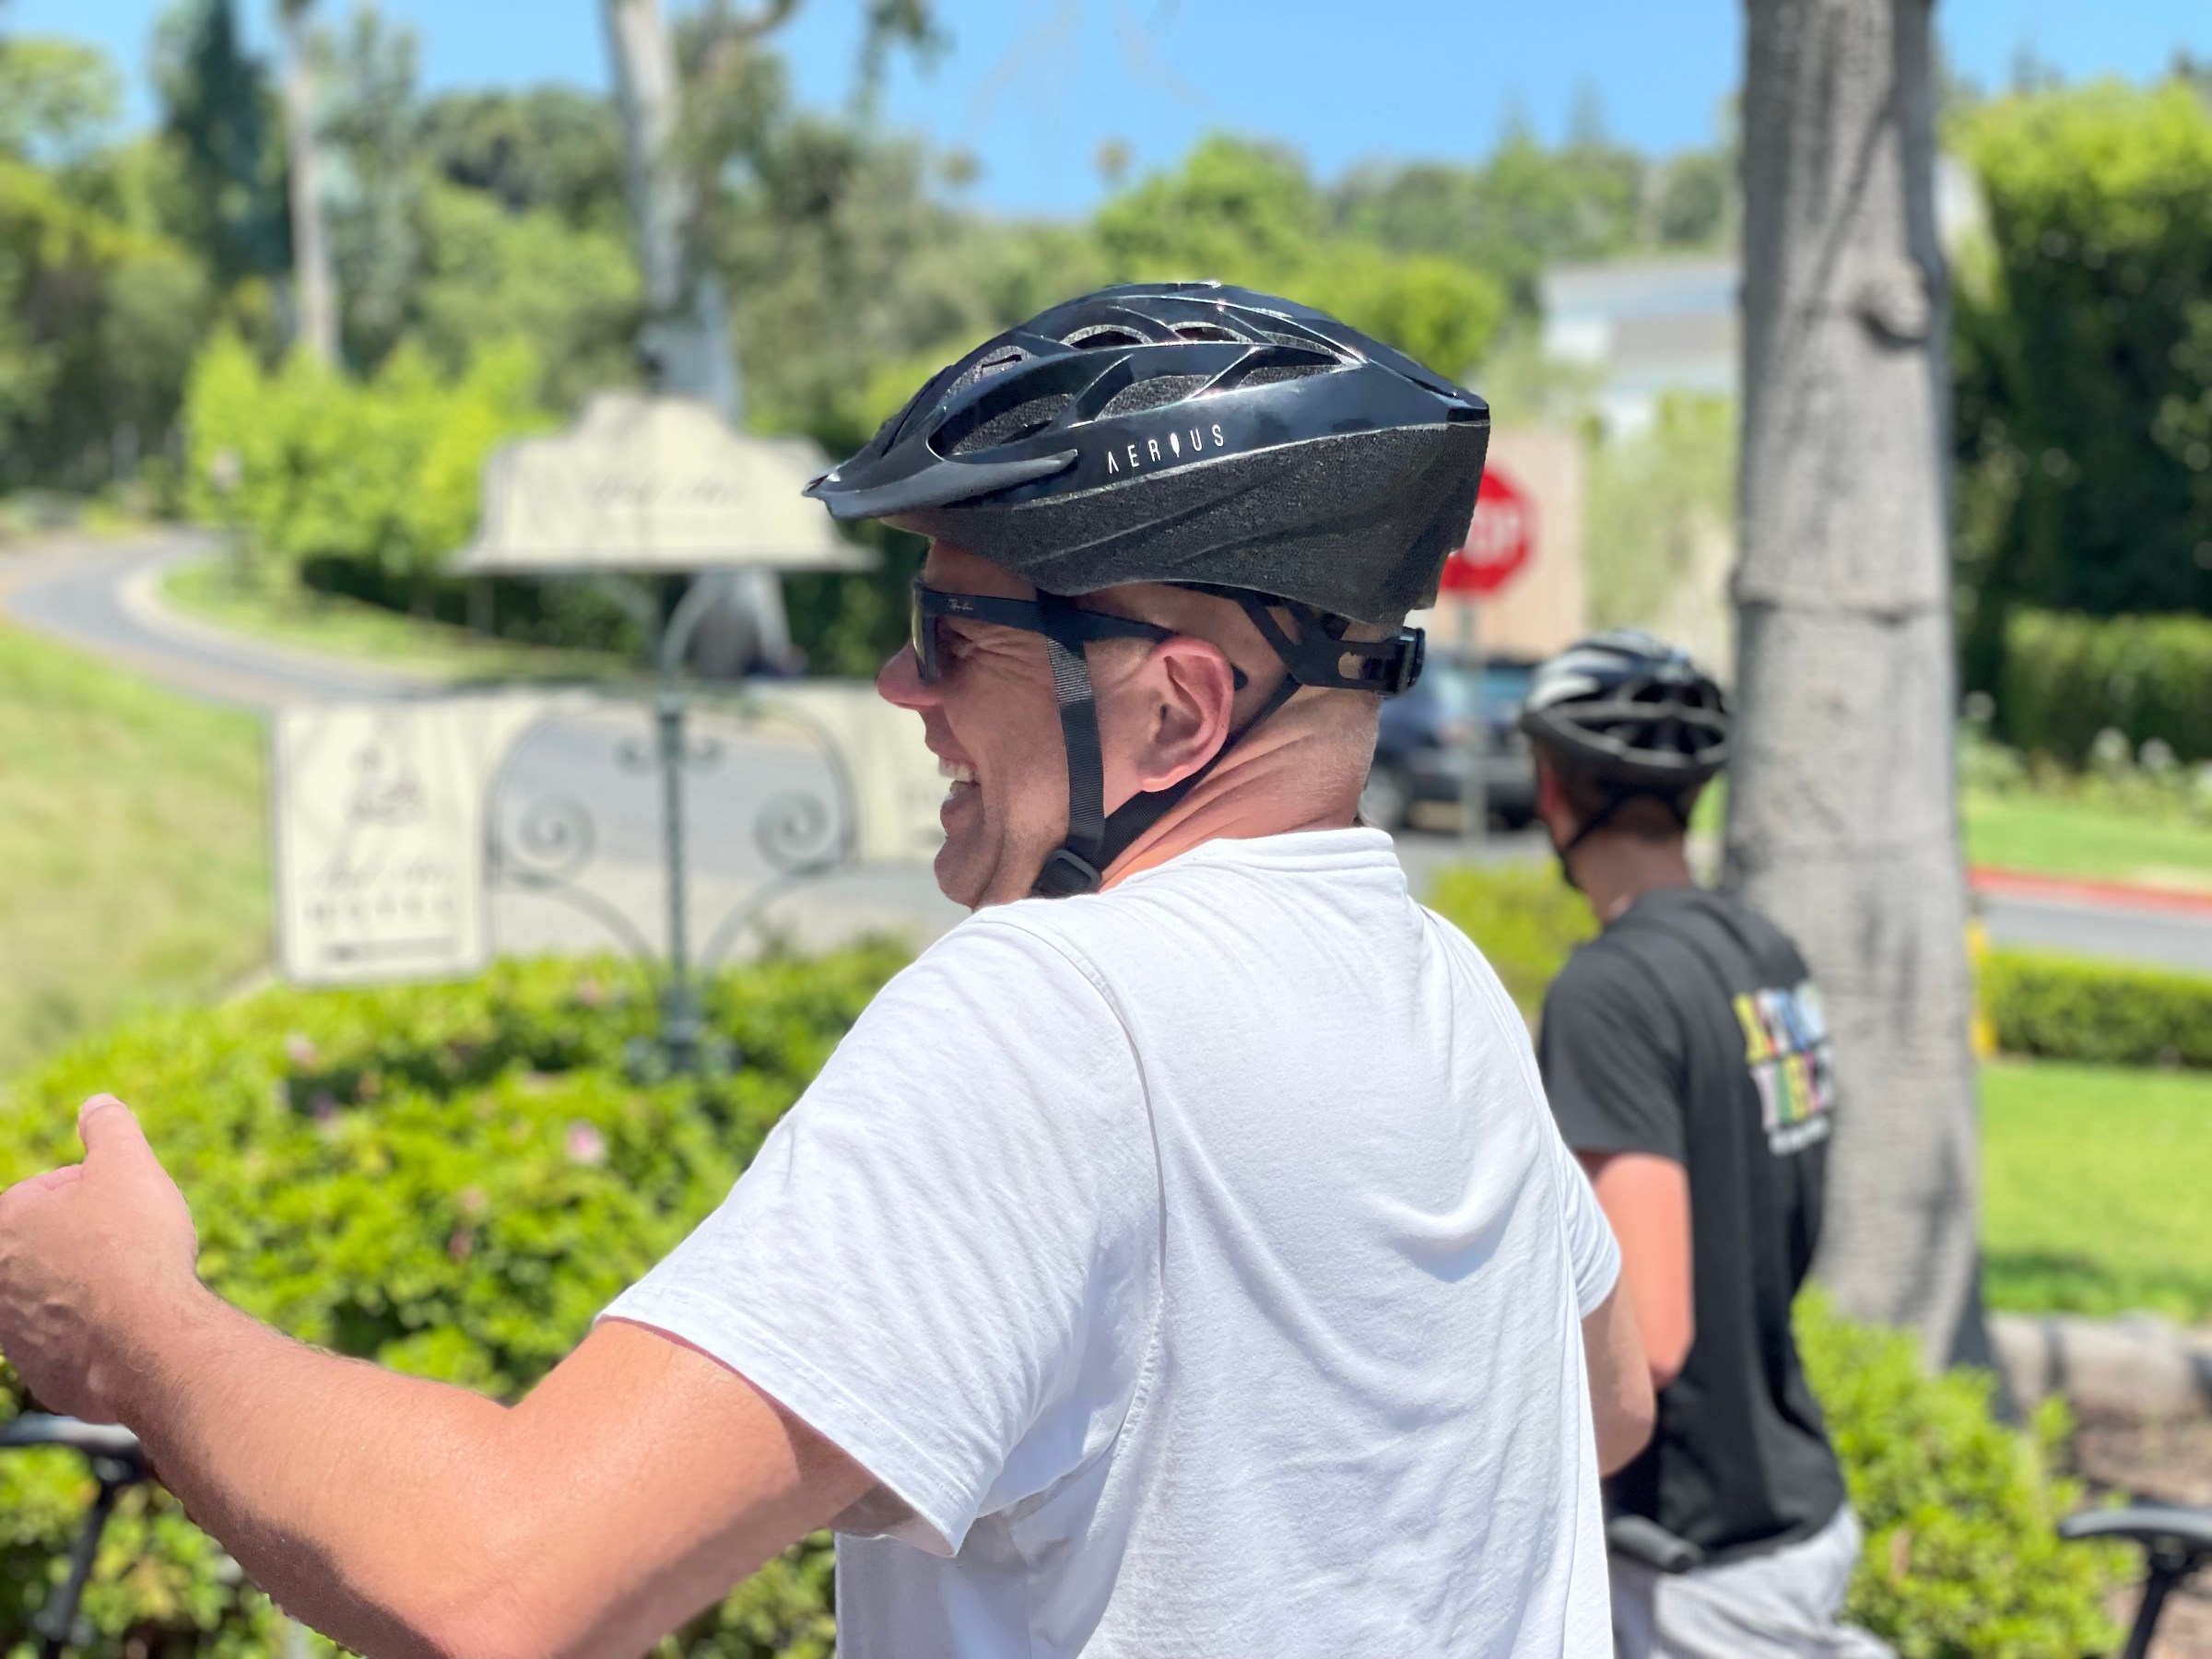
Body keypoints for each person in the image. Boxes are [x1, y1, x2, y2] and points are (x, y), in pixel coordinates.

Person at [0, 283, 1651, 1658]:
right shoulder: (1441, 986)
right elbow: (1611, 1404)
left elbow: (496, 1582)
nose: (895, 684)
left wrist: (131, 1321)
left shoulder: (1061, 1014)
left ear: (1178, 712)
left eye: (951, 636)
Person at [1520, 629, 1893, 1659]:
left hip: (1688, 1564)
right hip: (1797, 1500)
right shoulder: (1763, 953)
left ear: (1553, 787)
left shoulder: (1611, 992)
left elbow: (1653, 1332)